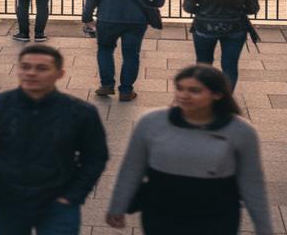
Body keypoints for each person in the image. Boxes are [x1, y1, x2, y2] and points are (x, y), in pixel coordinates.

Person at [0, 44, 108, 235]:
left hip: (58, 203)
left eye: (42, 68)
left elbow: (95, 157)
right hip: (6, 203)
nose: (31, 73)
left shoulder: (80, 113)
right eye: (25, 67)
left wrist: (73, 195)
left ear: (59, 74)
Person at [105, 65, 271, 235]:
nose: (184, 95)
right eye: (180, 88)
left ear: (217, 94)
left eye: (195, 90)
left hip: (216, 219)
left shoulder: (241, 131)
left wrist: (263, 228)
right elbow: (132, 168)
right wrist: (117, 206)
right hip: (161, 215)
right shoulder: (151, 122)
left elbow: (252, 182)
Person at [81, 0, 165, 102]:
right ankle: (126, 90)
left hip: (108, 19)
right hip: (137, 20)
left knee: (105, 51)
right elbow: (159, 1)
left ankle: (107, 85)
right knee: (132, 55)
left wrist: (87, 18)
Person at [182, 0, 260, 89]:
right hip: (235, 28)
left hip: (204, 27)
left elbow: (188, 7)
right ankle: (226, 99)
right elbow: (253, 9)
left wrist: (202, 10)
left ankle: (203, 94)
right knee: (230, 65)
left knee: (203, 64)